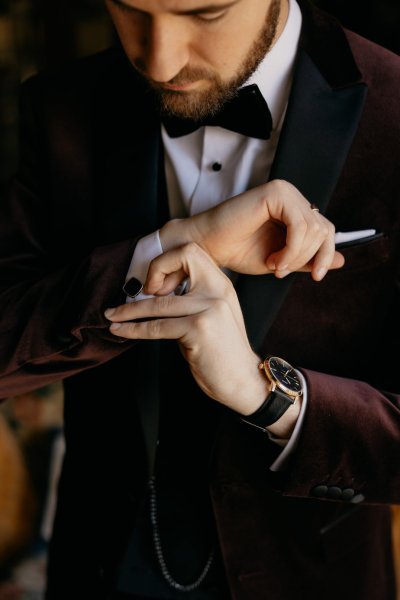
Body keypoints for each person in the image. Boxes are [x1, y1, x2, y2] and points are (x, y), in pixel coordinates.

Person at [0, 0, 399, 598]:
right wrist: (168, 248)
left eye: (205, 14)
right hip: (102, 566)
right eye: (127, 9)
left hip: (309, 573)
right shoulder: (60, 105)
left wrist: (270, 398)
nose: (159, 61)